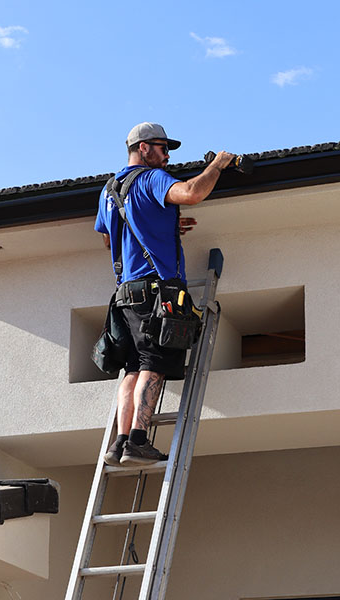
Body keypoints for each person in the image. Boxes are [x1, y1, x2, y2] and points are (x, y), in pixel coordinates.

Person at [94, 122, 234, 466]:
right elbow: (191, 194)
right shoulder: (150, 178)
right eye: (162, 147)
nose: (167, 155)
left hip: (125, 293)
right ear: (143, 148)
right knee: (154, 364)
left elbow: (109, 238)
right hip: (156, 291)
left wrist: (164, 227)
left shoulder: (110, 190)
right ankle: (139, 440)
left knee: (132, 368)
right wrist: (217, 164)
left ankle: (120, 442)